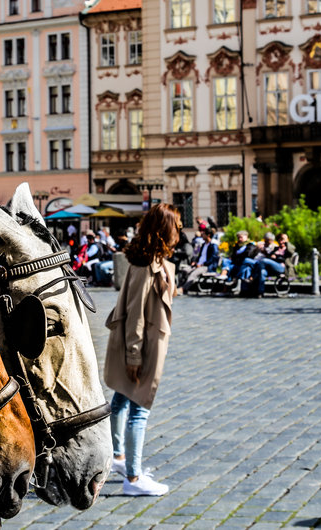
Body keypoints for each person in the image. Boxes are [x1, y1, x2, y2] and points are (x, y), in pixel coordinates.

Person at [104, 203, 180, 497]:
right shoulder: (146, 266)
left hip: (143, 341)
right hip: (142, 345)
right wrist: (133, 355)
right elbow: (135, 314)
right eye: (176, 226)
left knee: (122, 399)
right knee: (140, 409)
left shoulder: (154, 262)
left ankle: (119, 458)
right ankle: (133, 479)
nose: (179, 233)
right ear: (163, 230)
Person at [253, 232, 296, 297]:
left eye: (283, 239)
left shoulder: (289, 248)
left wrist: (286, 242)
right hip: (273, 267)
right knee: (262, 272)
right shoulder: (276, 248)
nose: (281, 241)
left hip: (282, 267)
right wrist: (271, 256)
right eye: (280, 240)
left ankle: (253, 276)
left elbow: (291, 251)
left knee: (264, 260)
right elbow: (269, 259)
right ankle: (260, 292)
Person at [184, 227, 219, 293]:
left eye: (203, 234)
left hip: (206, 266)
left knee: (194, 273)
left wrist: (202, 264)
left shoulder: (213, 245)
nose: (202, 235)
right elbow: (199, 256)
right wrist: (195, 262)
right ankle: (185, 286)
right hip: (198, 265)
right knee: (185, 270)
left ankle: (184, 289)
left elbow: (213, 258)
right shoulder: (203, 245)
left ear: (208, 235)